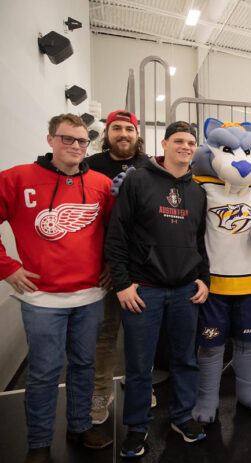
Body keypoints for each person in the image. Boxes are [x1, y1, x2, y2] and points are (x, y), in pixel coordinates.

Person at [0, 114, 114, 463]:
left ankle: (80, 427)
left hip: (89, 295)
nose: (76, 147)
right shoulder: (17, 178)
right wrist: (7, 267)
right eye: (68, 139)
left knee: (83, 364)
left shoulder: (100, 183)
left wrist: (110, 265)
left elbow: (113, 231)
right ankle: (38, 443)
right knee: (45, 371)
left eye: (82, 141)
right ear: (50, 140)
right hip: (40, 298)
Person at [105, 121, 210, 458]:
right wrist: (122, 283)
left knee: (185, 360)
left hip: (184, 291)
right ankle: (137, 427)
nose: (186, 146)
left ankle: (182, 416)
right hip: (143, 290)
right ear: (164, 144)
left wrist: (203, 278)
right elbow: (117, 235)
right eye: (179, 140)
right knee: (139, 365)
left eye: (191, 142)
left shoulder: (197, 192)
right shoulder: (138, 180)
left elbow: (199, 242)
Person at [189, 120, 251, 422]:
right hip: (212, 286)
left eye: (248, 151)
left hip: (250, 283)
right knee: (211, 346)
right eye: (228, 150)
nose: (240, 160)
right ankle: (207, 397)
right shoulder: (199, 186)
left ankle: (248, 390)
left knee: (249, 342)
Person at [84, 110, 152, 425]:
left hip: (142, 268)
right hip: (105, 268)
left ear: (137, 134)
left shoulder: (149, 167)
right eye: (116, 129)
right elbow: (90, 222)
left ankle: (141, 386)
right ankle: (101, 392)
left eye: (129, 128)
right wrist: (108, 262)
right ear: (107, 133)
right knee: (106, 332)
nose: (123, 134)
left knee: (141, 334)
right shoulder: (91, 167)